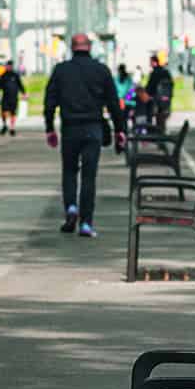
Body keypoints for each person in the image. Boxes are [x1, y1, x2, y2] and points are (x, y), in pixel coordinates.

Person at [45, 33, 126, 237]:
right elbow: (113, 104)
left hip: (70, 128)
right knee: (89, 176)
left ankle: (71, 208)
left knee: (70, 171)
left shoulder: (61, 70)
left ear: (72, 47)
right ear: (89, 47)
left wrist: (49, 128)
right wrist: (120, 130)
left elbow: (50, 101)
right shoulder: (101, 70)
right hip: (93, 128)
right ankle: (86, 224)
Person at [144, 54, 174, 133]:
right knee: (162, 116)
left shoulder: (154, 73)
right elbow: (171, 84)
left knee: (154, 114)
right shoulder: (165, 71)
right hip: (166, 98)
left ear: (154, 62)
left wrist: (146, 93)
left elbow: (150, 86)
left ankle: (154, 131)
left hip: (156, 98)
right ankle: (161, 130)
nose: (149, 64)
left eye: (150, 62)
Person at [0, 64, 26, 136]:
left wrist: (24, 93)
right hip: (5, 97)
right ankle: (5, 125)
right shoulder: (3, 75)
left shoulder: (15, 75)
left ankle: (12, 128)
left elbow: (20, 85)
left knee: (13, 113)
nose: (8, 67)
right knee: (4, 112)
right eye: (7, 66)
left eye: (9, 66)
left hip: (13, 97)